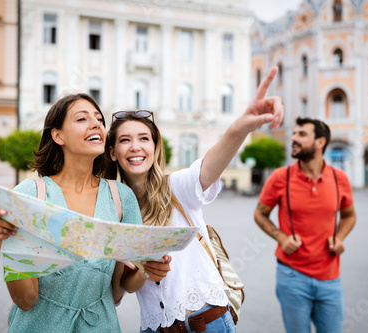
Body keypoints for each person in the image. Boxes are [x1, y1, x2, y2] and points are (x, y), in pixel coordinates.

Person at [101, 66, 284, 332]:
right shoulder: (115, 208)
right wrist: (144, 270)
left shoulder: (177, 187)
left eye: (144, 138)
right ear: (113, 152)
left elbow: (210, 166)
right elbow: (118, 293)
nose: (136, 147)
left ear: (155, 147)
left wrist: (240, 127)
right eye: (125, 140)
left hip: (207, 324)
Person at [0, 93, 170, 332]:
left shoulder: (121, 197)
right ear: (58, 135)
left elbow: (126, 285)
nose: (96, 124)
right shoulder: (29, 194)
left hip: (102, 325)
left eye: (99, 120)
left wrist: (147, 271)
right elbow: (25, 300)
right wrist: (5, 245)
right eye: (82, 119)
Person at [254, 117, 357, 333]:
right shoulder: (280, 177)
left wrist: (339, 238)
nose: (294, 138)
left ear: (320, 142)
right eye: (294, 134)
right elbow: (260, 214)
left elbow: (349, 215)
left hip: (330, 277)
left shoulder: (340, 179)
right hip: (291, 276)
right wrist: (281, 238)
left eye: (301, 135)